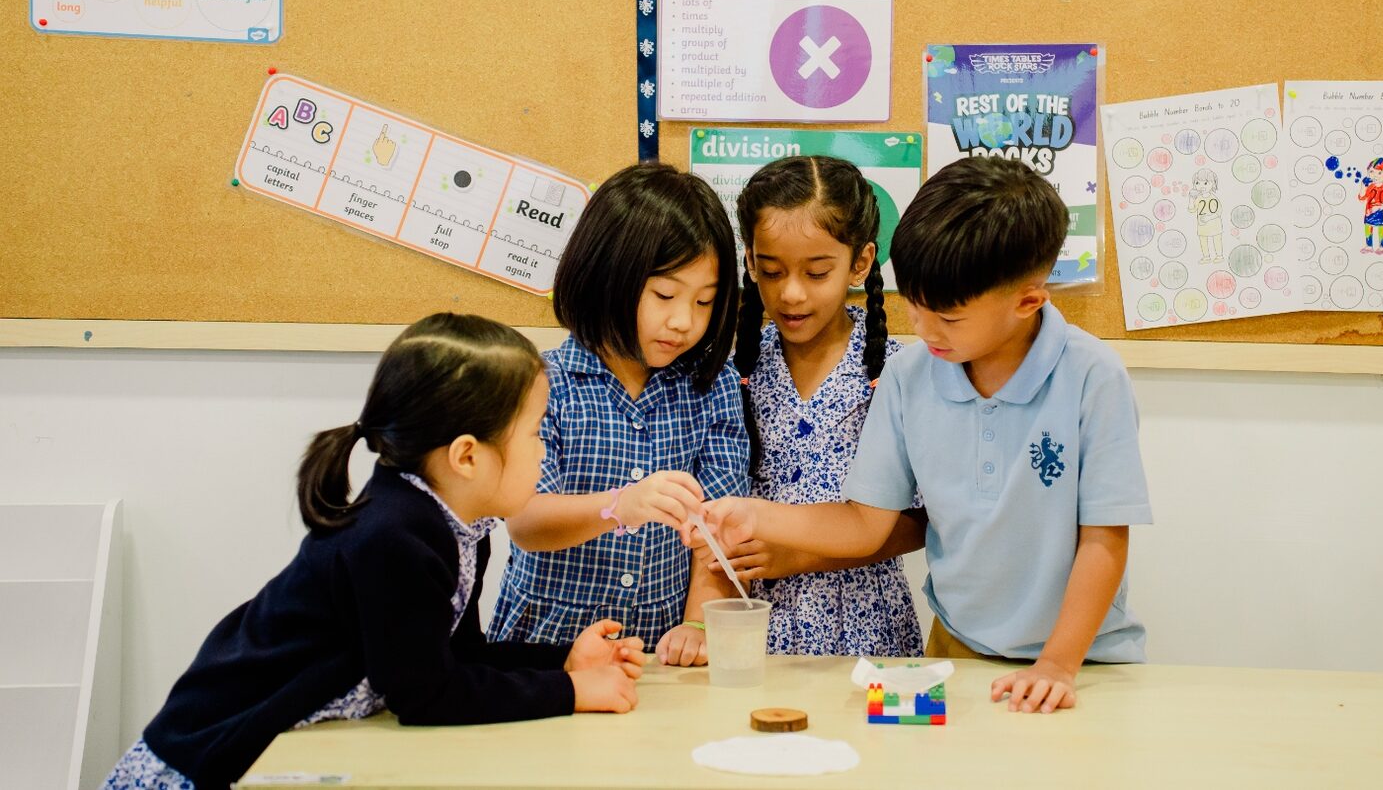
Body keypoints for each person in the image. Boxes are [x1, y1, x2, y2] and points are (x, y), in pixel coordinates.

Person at [103, 314, 644, 790]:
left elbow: (454, 655)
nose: (543, 450)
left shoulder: (460, 526)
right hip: (215, 757)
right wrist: (569, 691)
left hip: (283, 746)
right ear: (467, 457)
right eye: (534, 434)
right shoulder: (395, 536)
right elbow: (427, 695)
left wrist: (564, 658)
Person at [699, 158, 1151, 715]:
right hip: (957, 647)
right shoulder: (910, 375)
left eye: (948, 317)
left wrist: (1058, 662)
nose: (923, 327)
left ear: (1029, 300)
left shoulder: (1092, 376)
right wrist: (751, 515)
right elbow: (865, 522)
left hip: (1081, 660)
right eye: (914, 305)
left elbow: (1105, 539)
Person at [491, 163, 748, 667]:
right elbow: (525, 521)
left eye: (705, 302)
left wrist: (698, 622)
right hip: (545, 645)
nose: (684, 321)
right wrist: (620, 506)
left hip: (659, 646)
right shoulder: (545, 383)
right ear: (608, 274)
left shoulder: (711, 384)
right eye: (666, 295)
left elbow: (714, 531)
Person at [722, 156, 924, 657]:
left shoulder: (897, 373)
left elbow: (924, 521)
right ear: (750, 260)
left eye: (816, 272)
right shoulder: (733, 373)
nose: (790, 294)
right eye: (771, 270)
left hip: (870, 633)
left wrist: (799, 556)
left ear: (860, 262)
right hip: (752, 630)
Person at [1358, 157, 1383, 254]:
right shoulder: (1370, 187)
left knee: (1382, 230)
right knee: (1368, 228)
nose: (1375, 175)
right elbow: (1361, 198)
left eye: (1379, 173)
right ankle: (1369, 246)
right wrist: (1362, 187)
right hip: (1369, 212)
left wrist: (1380, 207)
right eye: (1371, 172)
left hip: (1382, 213)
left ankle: (1382, 247)